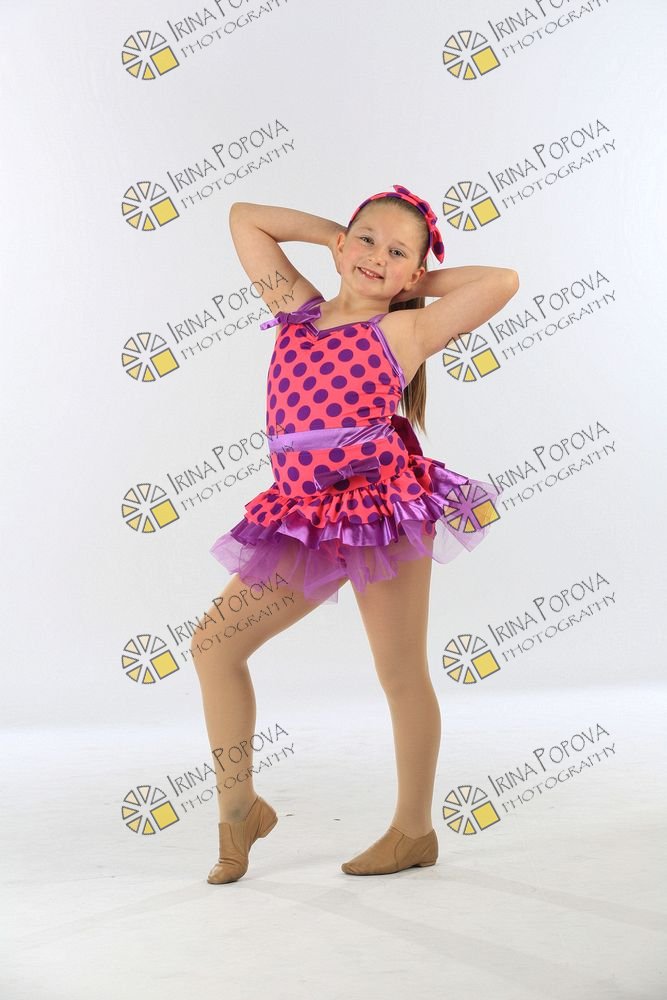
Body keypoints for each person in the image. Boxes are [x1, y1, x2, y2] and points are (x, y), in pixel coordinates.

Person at [191, 183, 519, 882]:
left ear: (413, 273)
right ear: (342, 246)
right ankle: (239, 810)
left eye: (397, 253)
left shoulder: (403, 333)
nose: (376, 256)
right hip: (303, 518)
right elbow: (246, 218)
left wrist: (415, 283)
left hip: (381, 514)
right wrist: (334, 235)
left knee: (399, 672)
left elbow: (501, 281)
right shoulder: (295, 311)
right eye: (366, 240)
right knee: (215, 645)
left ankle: (413, 831)